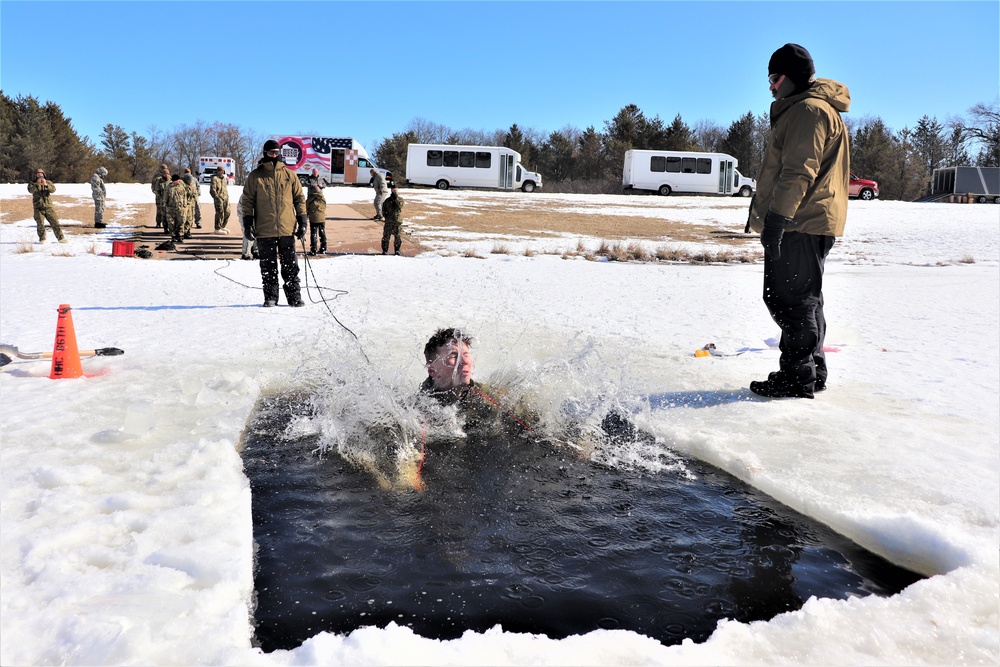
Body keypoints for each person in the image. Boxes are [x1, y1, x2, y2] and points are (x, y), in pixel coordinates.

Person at [746, 43, 851, 399]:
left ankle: (796, 377)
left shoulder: (808, 110)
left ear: (791, 77)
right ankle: (811, 371)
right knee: (804, 299)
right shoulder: (808, 108)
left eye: (775, 78)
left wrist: (777, 220)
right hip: (808, 220)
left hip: (800, 221)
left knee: (790, 300)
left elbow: (797, 171)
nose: (771, 86)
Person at [240, 139, 308, 307]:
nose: (274, 156)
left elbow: (299, 198)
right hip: (265, 229)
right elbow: (247, 201)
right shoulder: (256, 176)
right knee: (268, 267)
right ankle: (270, 297)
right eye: (271, 153)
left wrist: (302, 221)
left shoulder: (289, 175)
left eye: (277, 153)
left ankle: (294, 297)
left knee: (290, 266)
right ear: (265, 154)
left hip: (286, 229)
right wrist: (248, 224)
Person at [28, 169, 66, 243]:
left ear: (44, 174)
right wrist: (38, 184)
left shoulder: (48, 182)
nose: (40, 176)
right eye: (38, 174)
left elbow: (53, 190)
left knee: (55, 222)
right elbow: (31, 190)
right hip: (38, 207)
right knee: (40, 224)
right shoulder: (32, 183)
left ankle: (61, 238)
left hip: (48, 207)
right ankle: (42, 239)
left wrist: (46, 185)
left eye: (41, 174)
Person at [305, 168, 327, 255]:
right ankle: (323, 248)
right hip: (321, 216)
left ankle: (313, 249)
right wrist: (312, 185)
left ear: (318, 172)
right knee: (322, 232)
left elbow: (325, 185)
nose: (315, 173)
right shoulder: (322, 200)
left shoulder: (309, 201)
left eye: (316, 172)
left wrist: (321, 186)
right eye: (314, 172)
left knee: (314, 233)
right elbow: (306, 183)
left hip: (314, 216)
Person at [165, 174, 190, 243]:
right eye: (178, 180)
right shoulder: (168, 188)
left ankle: (180, 235)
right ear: (174, 180)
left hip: (180, 208)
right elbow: (165, 198)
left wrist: (184, 205)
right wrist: (166, 207)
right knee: (171, 223)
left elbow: (185, 196)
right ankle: (173, 236)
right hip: (171, 208)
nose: (179, 181)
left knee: (181, 221)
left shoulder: (181, 187)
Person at [380, 183, 404, 255]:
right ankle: (385, 250)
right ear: (391, 190)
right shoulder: (387, 201)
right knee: (386, 237)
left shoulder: (400, 199)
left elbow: (399, 207)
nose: (394, 192)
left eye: (395, 190)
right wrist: (386, 217)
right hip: (389, 221)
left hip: (397, 221)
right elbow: (383, 210)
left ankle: (397, 250)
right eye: (393, 190)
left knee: (398, 237)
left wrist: (395, 198)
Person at [210, 165, 231, 234]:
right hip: (218, 199)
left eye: (223, 171)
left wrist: (227, 197)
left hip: (225, 198)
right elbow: (212, 190)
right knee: (220, 213)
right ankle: (217, 228)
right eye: (220, 171)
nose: (222, 172)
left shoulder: (223, 179)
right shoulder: (214, 178)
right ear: (218, 171)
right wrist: (217, 197)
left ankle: (222, 226)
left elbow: (225, 189)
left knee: (227, 212)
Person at [151, 164, 170, 230]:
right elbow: (153, 187)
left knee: (166, 210)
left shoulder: (168, 177)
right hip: (159, 196)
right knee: (159, 210)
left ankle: (166, 224)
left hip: (166, 197)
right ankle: (158, 223)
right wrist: (157, 193)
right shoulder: (157, 177)